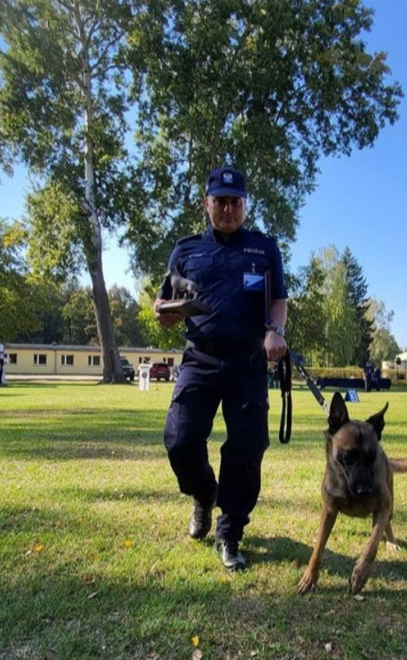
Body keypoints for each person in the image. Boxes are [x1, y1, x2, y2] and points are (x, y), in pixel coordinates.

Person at [155, 166, 288, 572]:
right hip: (200, 358)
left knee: (246, 451)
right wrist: (164, 314)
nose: (228, 209)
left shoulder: (265, 250)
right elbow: (162, 305)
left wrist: (275, 332)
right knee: (179, 440)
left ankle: (229, 532)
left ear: (245, 205)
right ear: (206, 204)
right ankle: (202, 495)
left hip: (248, 363)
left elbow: (278, 301)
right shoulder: (185, 251)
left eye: (236, 202)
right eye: (221, 202)